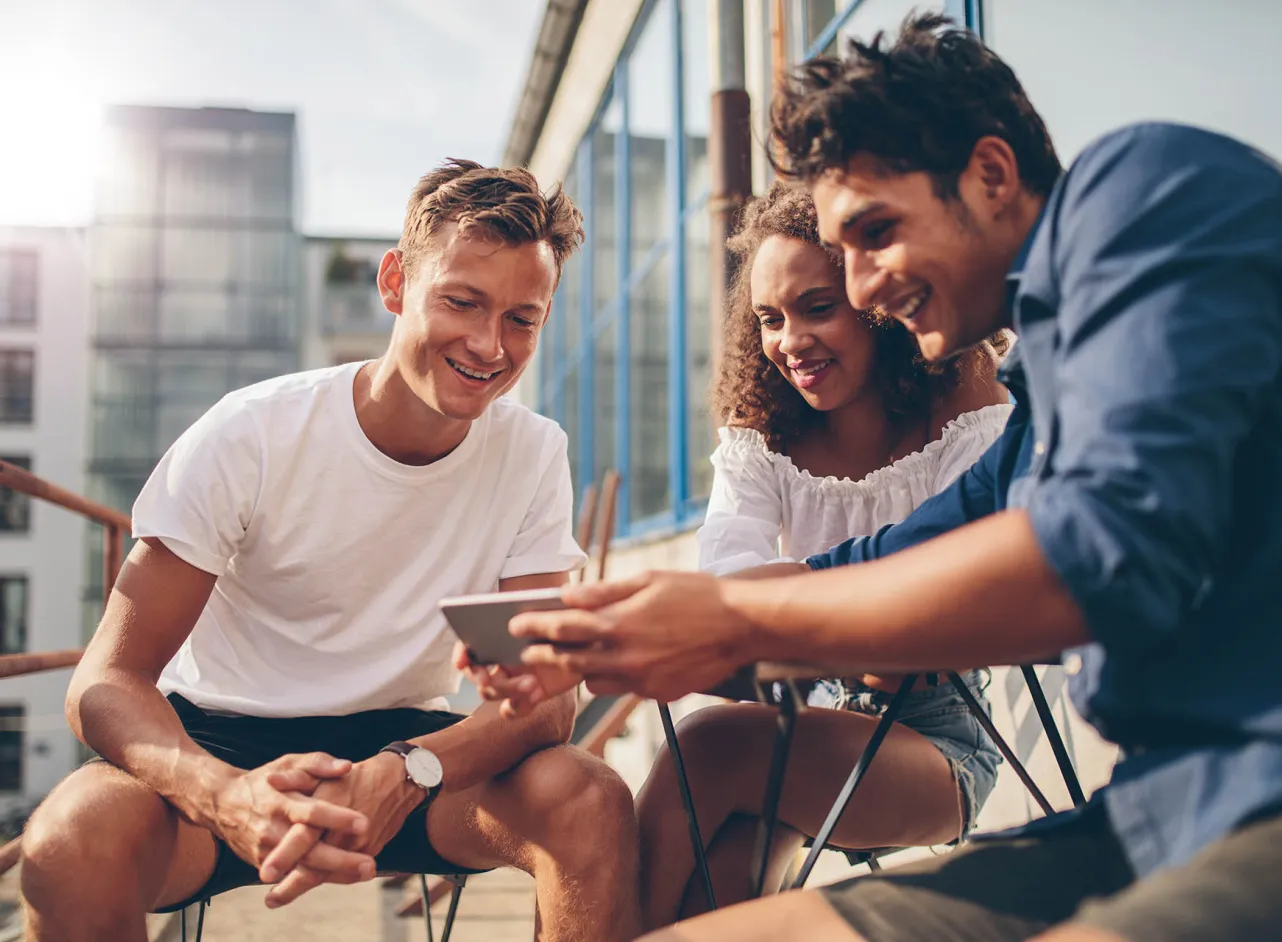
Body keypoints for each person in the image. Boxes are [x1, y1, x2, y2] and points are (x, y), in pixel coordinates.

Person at [500, 13, 1282, 942]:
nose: (865, 287)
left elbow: (1099, 552)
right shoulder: (1038, 407)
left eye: (875, 234)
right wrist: (627, 630)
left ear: (992, 175)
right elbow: (879, 558)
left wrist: (732, 622)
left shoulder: (1144, 190)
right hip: (1150, 816)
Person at [20, 159, 641, 942]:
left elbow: (547, 697)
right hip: (223, 744)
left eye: (523, 318)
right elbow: (105, 681)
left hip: (413, 754)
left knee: (589, 799)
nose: (491, 345)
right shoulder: (252, 430)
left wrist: (410, 768)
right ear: (394, 284)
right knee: (68, 841)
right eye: (462, 301)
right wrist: (222, 794)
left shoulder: (531, 451)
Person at [635, 180, 1007, 928]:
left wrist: (786, 618)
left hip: (941, 740)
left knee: (705, 748)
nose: (788, 342)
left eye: (817, 307)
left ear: (878, 301)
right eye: (769, 319)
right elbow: (728, 589)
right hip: (812, 718)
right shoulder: (764, 434)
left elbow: (958, 608)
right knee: (724, 882)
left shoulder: (960, 402)